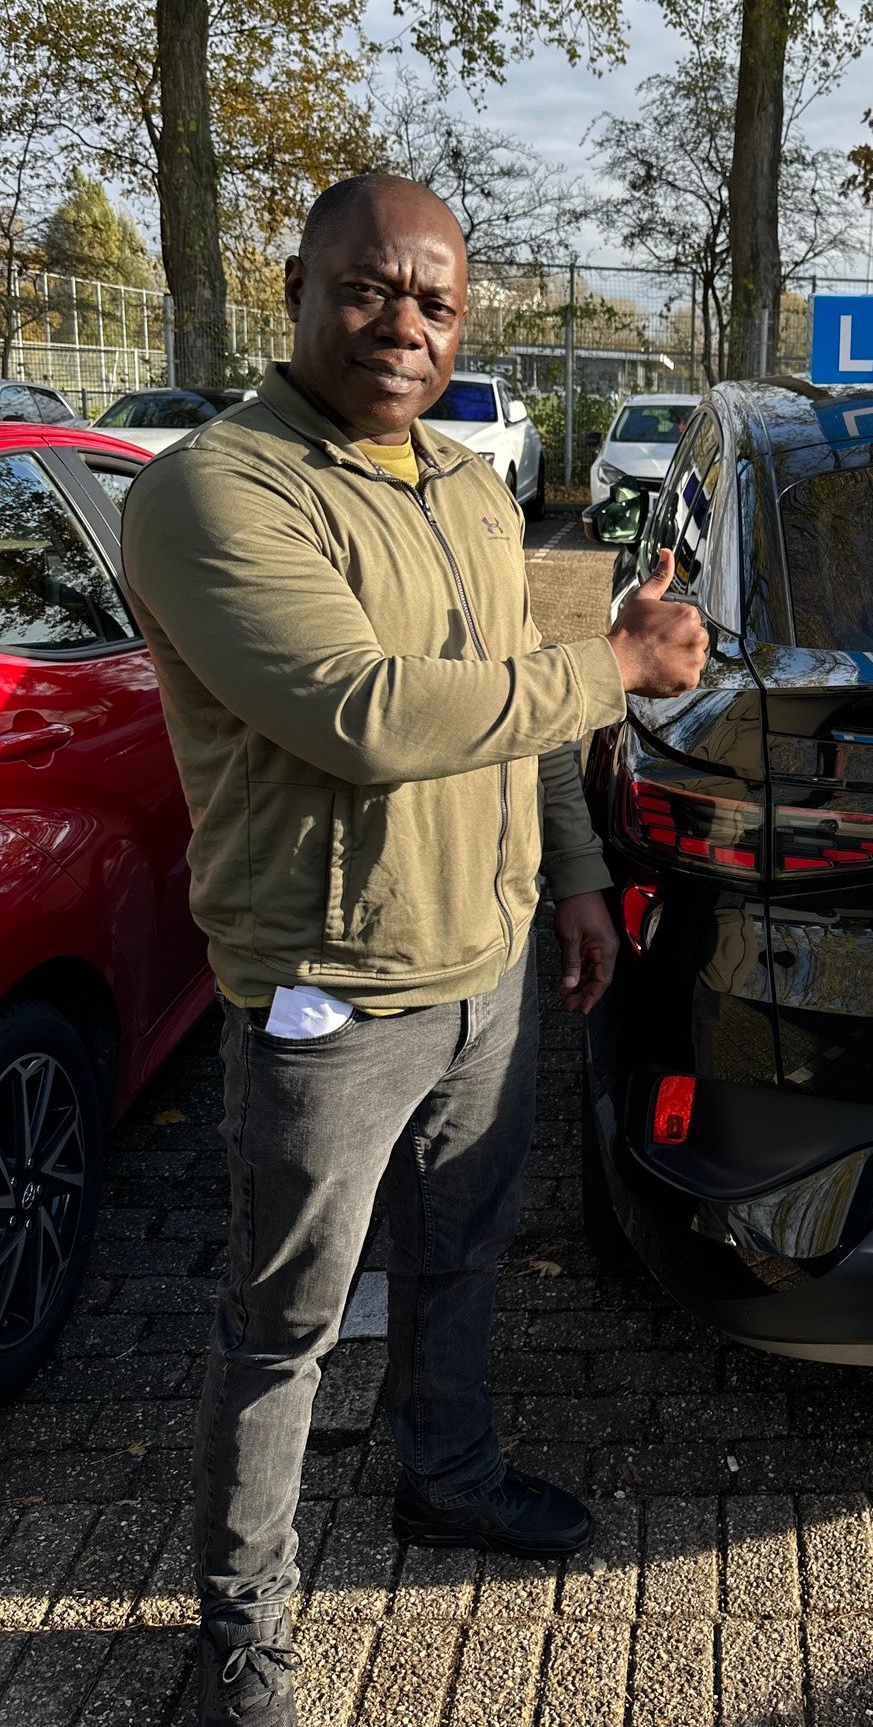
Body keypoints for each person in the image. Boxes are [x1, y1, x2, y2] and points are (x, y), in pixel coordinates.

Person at [121, 173, 708, 1727]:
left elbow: (510, 703)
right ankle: (239, 1628)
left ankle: (446, 1475)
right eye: (371, 288)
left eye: (436, 303)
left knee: (463, 1252)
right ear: (296, 288)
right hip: (329, 991)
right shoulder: (217, 492)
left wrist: (573, 877)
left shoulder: (463, 485)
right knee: (282, 1327)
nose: (405, 326)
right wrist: (615, 666)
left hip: (487, 973)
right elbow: (364, 716)